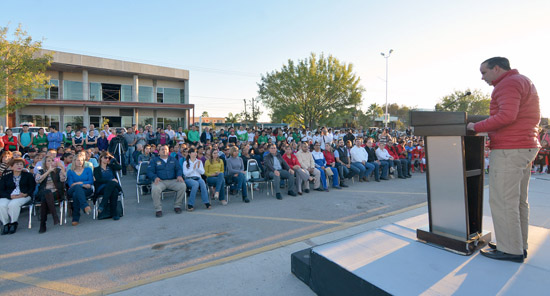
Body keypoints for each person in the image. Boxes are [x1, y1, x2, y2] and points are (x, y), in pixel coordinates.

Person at [467, 57, 540, 263]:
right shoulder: (522, 80)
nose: (482, 78)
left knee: (503, 200)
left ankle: (510, 250)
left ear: (497, 68)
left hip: (510, 148)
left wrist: (476, 127)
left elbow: (507, 116)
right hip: (524, 146)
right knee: (517, 201)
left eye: (484, 72)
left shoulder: (507, 84)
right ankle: (517, 244)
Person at [147, 145, 186, 217]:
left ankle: (177, 206)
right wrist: (154, 177)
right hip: (160, 181)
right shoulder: (154, 160)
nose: (164, 151)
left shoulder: (173, 159)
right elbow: (149, 171)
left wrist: (179, 175)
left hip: (172, 180)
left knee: (182, 185)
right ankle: (158, 209)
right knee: (155, 189)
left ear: (168, 151)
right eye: (162, 149)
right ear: (158, 152)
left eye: (166, 149)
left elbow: (179, 169)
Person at [0, 158, 36, 235]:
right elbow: (1, 190)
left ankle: (13, 223)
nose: (19, 166)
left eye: (21, 164)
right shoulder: (5, 177)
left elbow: (32, 187)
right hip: (9, 195)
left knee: (13, 204)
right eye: (17, 164)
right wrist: (10, 196)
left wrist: (25, 194)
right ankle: (6, 224)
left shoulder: (28, 175)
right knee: (1, 205)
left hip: (23, 195)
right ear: (11, 166)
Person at [35, 155, 66, 233]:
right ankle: (54, 216)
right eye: (48, 161)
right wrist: (48, 171)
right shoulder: (40, 171)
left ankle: (43, 224)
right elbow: (38, 180)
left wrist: (62, 167)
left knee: (45, 196)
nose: (51, 162)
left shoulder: (58, 171)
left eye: (52, 161)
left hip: (56, 192)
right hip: (43, 192)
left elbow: (63, 179)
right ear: (45, 163)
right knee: (46, 193)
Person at [94, 152, 122, 220]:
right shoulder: (96, 169)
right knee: (114, 190)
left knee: (113, 188)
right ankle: (114, 213)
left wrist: (113, 159)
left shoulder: (111, 167)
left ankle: (103, 204)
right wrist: (110, 181)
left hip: (112, 186)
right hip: (102, 187)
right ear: (101, 158)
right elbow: (98, 180)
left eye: (108, 158)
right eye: (105, 157)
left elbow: (120, 167)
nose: (107, 159)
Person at [66, 153, 93, 226]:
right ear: (74, 161)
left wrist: (79, 183)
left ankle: (75, 218)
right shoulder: (70, 171)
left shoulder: (88, 170)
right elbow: (71, 184)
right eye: (78, 160)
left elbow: (91, 181)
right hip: (73, 189)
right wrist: (83, 184)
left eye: (82, 160)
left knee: (76, 194)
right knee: (77, 188)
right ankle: (85, 206)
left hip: (86, 190)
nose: (80, 162)